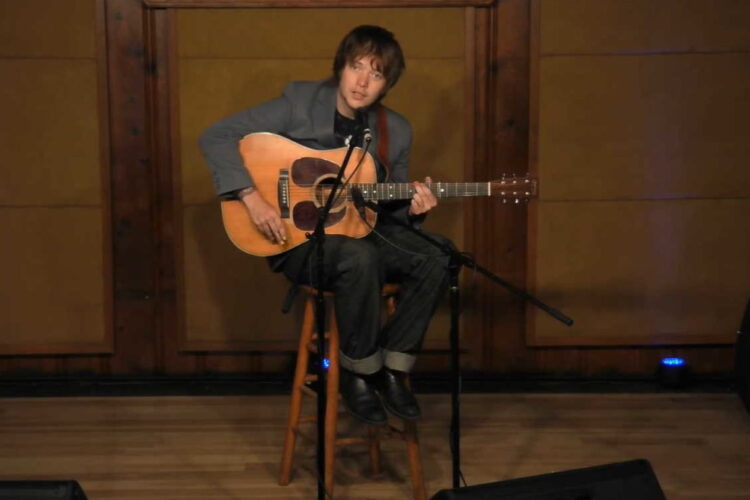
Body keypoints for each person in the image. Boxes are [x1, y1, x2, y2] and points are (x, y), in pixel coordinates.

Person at [199, 25, 452, 425]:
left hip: (361, 235)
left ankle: (393, 370)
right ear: (341, 67)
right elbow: (216, 135)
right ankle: (358, 374)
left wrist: (417, 209)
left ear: (387, 84)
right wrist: (251, 197)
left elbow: (389, 210)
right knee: (360, 255)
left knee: (438, 255)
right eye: (356, 67)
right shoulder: (299, 103)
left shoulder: (396, 131)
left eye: (377, 73)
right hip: (298, 242)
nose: (362, 81)